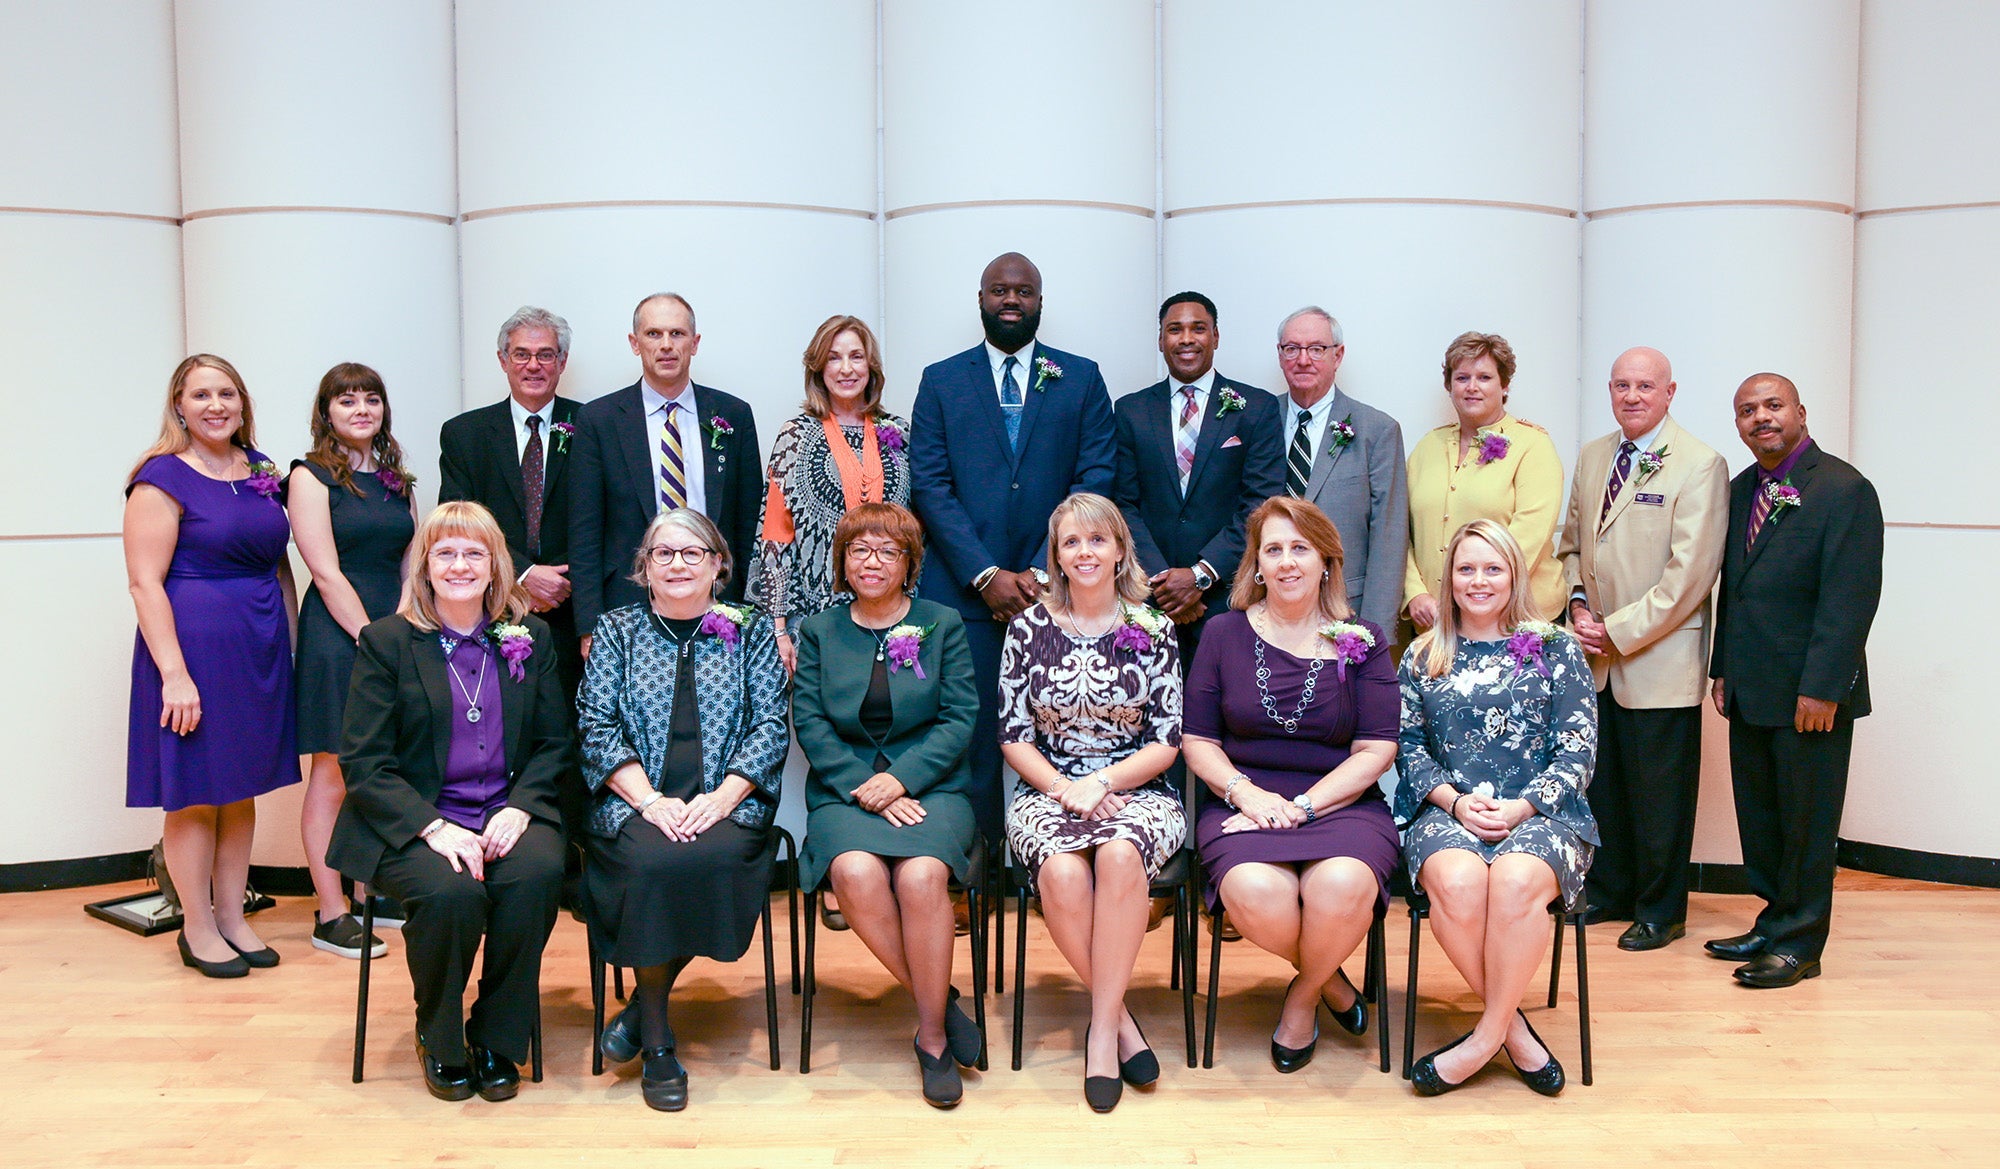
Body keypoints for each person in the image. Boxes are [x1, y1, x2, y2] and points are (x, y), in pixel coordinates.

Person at [328, 502, 569, 1104]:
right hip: (412, 820)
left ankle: (497, 1033)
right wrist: (433, 828)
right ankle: (438, 1033)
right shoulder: (387, 642)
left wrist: (524, 806)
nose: (460, 565)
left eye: (474, 553)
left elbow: (555, 741)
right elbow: (363, 762)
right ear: (425, 567)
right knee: (451, 893)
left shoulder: (529, 639)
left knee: (535, 874)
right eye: (446, 553)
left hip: (507, 810)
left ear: (495, 568)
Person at [578, 509, 788, 1111]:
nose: (678, 564)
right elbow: (595, 724)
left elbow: (771, 723)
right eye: (663, 554)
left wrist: (724, 798)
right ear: (643, 567)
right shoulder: (617, 630)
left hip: (727, 806)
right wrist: (649, 800)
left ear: (719, 564)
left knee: (714, 861)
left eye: (693, 553)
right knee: (650, 865)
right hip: (636, 804)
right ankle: (659, 1040)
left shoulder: (747, 629)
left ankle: (642, 1009)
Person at [1182, 497, 1398, 1073]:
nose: (1286, 562)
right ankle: (1334, 983)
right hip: (1244, 800)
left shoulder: (1364, 639)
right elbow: (1198, 740)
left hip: (1339, 802)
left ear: (1326, 560)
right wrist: (1247, 795)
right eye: (1272, 550)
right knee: (1255, 893)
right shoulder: (1222, 633)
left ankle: (1304, 998)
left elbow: (1377, 748)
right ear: (1255, 565)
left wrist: (1303, 805)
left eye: (1300, 548)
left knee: (1342, 886)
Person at [911, 252, 1117, 839]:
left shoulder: (1081, 377)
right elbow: (929, 484)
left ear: (1040, 303)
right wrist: (986, 574)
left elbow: (1095, 476)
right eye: (999, 290)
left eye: (1022, 292)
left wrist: (1041, 571)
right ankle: (968, 873)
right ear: (980, 299)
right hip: (962, 594)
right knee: (966, 732)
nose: (1010, 300)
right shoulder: (942, 379)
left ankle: (1056, 862)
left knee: (1064, 728)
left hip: (1058, 593)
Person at [1395, 519, 1597, 1097]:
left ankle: (1483, 1040)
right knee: (1457, 883)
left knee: (1513, 882)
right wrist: (1457, 804)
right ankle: (1514, 1033)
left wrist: (1522, 808)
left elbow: (1578, 748)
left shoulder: (1555, 647)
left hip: (1545, 813)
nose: (1478, 581)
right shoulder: (1421, 654)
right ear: (1447, 578)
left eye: (1492, 568)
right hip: (1446, 810)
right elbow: (1406, 750)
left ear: (1515, 574)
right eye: (1465, 569)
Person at [998, 493, 1185, 1113]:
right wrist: (1062, 788)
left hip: (1137, 789)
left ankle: (1101, 1034)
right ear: (1055, 555)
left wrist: (1103, 784)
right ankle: (1121, 1019)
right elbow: (1013, 737)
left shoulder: (1152, 627)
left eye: (1097, 540)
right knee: (1061, 870)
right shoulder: (1027, 629)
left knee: (1120, 858)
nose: (1084, 553)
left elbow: (1167, 741)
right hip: (1047, 788)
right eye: (1071, 542)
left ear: (1120, 549)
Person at [792, 504, 982, 1107]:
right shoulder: (820, 629)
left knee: (924, 877)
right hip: (844, 789)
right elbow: (811, 720)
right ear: (842, 560)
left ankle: (930, 1037)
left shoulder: (941, 622)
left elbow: (959, 718)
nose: (871, 562)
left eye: (887, 551)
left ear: (909, 563)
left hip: (932, 786)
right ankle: (941, 1002)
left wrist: (900, 780)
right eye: (858, 550)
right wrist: (861, 784)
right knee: (854, 870)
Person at [124, 354, 297, 979]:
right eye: (201, 395)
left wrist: (292, 647)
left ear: (243, 403)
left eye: (227, 393)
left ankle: (232, 914)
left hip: (259, 644)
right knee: (195, 791)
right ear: (179, 406)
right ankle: (196, 925)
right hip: (193, 647)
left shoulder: (261, 470)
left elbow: (278, 564)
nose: (216, 405)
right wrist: (174, 673)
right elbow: (145, 584)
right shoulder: (159, 477)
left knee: (240, 784)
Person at [1707, 373, 1882, 988]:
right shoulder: (1739, 490)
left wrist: (1824, 687)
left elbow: (1851, 599)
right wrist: (1722, 666)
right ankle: (1774, 919)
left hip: (1811, 694)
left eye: (1773, 405)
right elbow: (1735, 587)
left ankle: (1800, 943)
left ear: (1801, 412)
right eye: (1747, 410)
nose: (1761, 417)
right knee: (1761, 815)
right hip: (1751, 687)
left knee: (1807, 819)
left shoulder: (1844, 489)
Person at [1556, 347, 1727, 951]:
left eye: (1645, 386)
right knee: (1606, 788)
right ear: (1610, 390)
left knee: (1661, 797)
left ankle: (1662, 910)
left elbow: (1690, 577)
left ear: (1670, 392)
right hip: (1595, 656)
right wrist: (1577, 604)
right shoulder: (1594, 455)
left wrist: (1619, 630)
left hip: (1657, 658)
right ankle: (1612, 889)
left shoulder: (1701, 464)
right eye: (1622, 385)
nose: (1632, 396)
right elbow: (1571, 543)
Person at [439, 306, 587, 912]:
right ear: (502, 360)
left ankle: (572, 865)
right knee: (506, 733)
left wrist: (564, 577)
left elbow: (606, 510)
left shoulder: (592, 423)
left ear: (562, 362)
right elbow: (459, 515)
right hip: (494, 608)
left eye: (546, 354)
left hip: (578, 612)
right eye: (522, 354)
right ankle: (504, 858)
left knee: (576, 735)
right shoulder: (465, 432)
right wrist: (523, 573)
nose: (534, 365)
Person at [290, 362, 417, 959]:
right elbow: (324, 569)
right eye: (347, 401)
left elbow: (413, 565)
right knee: (335, 770)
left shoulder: (397, 481)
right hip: (338, 635)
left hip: (393, 628)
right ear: (327, 412)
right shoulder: (310, 477)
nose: (361, 409)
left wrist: (400, 630)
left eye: (371, 399)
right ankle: (331, 910)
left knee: (382, 765)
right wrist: (372, 635)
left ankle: (371, 894)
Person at [572, 292, 762, 649]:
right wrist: (588, 625)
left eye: (677, 334)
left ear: (695, 343)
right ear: (634, 343)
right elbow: (584, 532)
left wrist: (751, 607)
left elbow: (750, 520)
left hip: (720, 599)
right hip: (626, 602)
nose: (666, 346)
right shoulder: (599, 420)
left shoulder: (733, 414)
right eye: (653, 334)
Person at [1113, 291, 1284, 665]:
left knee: (1222, 714)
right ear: (1161, 340)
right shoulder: (1130, 410)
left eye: (1198, 329)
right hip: (1150, 601)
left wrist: (1200, 575)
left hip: (1226, 599)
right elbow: (1123, 502)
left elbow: (1261, 504)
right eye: (1175, 329)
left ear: (1216, 337)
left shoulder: (1256, 408)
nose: (1186, 339)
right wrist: (1163, 580)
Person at [752, 315, 913, 675]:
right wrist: (778, 629)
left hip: (893, 613)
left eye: (856, 357)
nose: (845, 369)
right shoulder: (795, 434)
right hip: (815, 616)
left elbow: (917, 528)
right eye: (833, 357)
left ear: (870, 366)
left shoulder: (899, 434)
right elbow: (775, 536)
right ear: (818, 367)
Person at [1404, 332, 1566, 628]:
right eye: (1462, 377)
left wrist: (1468, 602)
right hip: (1434, 623)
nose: (1472, 387)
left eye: (1485, 377)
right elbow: (1401, 533)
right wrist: (1415, 594)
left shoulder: (1533, 445)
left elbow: (1529, 536)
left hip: (1516, 621)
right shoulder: (1427, 447)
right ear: (1449, 386)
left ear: (1504, 386)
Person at [1273, 307, 1410, 633]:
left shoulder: (1377, 430)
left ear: (1338, 356)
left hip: (1346, 610)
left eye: (1317, 349)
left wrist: (1373, 632)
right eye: (1292, 348)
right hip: (1270, 609)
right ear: (1280, 356)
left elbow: (1388, 538)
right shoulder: (1259, 419)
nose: (1303, 360)